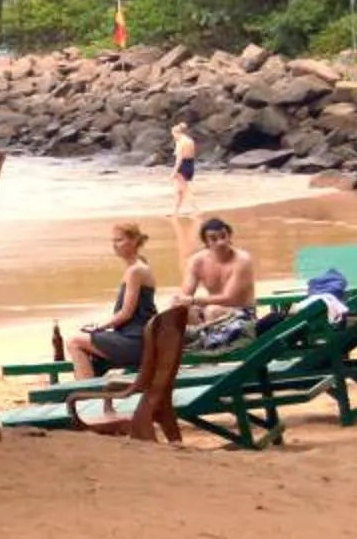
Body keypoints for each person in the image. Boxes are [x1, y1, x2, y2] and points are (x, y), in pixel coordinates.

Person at [63, 224, 158, 378]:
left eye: (119, 240)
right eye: (113, 241)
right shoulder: (140, 266)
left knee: (74, 341)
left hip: (135, 341)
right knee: (86, 342)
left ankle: (87, 393)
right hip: (141, 337)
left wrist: (99, 327)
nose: (115, 245)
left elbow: (126, 313)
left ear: (134, 241)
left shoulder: (135, 271)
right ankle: (88, 386)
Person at [177, 217, 258, 350]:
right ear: (206, 242)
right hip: (212, 317)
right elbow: (185, 295)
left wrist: (192, 300)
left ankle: (208, 346)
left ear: (229, 236)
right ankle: (198, 345)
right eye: (214, 239)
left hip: (242, 314)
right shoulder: (197, 261)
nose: (220, 242)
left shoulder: (242, 260)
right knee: (181, 310)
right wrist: (181, 303)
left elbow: (229, 298)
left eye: (223, 236)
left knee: (212, 310)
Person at [170, 118, 198, 216]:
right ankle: (175, 212)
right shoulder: (190, 141)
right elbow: (192, 155)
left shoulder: (180, 142)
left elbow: (179, 159)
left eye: (173, 134)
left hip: (182, 167)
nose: (173, 136)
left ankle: (196, 211)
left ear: (177, 133)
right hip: (190, 165)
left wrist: (174, 172)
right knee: (178, 191)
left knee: (185, 191)